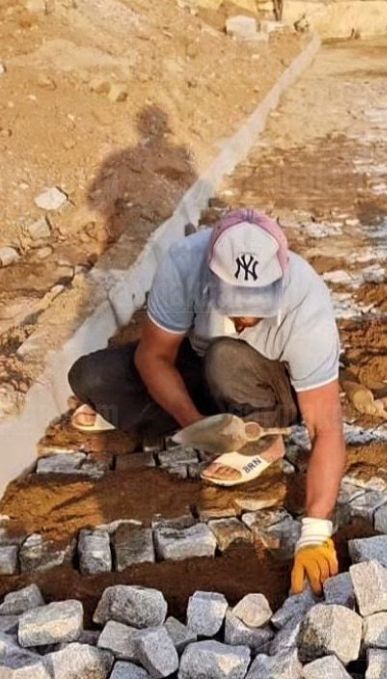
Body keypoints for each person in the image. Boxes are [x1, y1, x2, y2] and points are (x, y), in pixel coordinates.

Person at [68, 208, 346, 597]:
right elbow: (154, 356)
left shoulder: (305, 299)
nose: (244, 318)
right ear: (213, 278)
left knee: (224, 356)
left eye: (256, 307)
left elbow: (326, 426)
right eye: (235, 304)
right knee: (90, 378)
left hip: (267, 389)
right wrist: (196, 425)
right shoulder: (185, 264)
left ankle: (264, 439)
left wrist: (315, 532)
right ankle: (214, 420)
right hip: (204, 366)